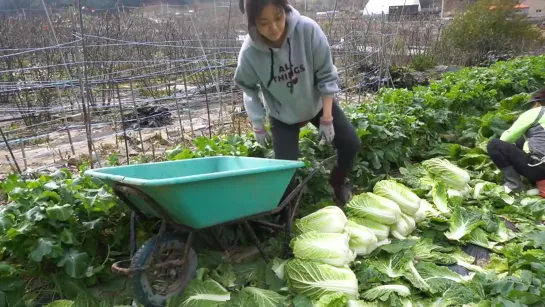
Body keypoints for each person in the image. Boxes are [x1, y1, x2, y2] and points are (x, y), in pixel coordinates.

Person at [234, 0, 361, 205]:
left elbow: (327, 75)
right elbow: (248, 88)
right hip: (282, 115)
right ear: (252, 23)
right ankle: (286, 216)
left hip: (316, 105)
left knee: (351, 144)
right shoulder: (250, 52)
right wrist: (258, 124)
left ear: (285, 10)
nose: (274, 28)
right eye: (264, 22)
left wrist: (327, 118)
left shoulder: (308, 30)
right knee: (286, 174)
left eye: (278, 17)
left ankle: (337, 181)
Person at [487, 87, 545, 196]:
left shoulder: (537, 112)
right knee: (522, 139)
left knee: (494, 145)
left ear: (537, 103)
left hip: (540, 168)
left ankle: (514, 185)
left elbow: (507, 139)